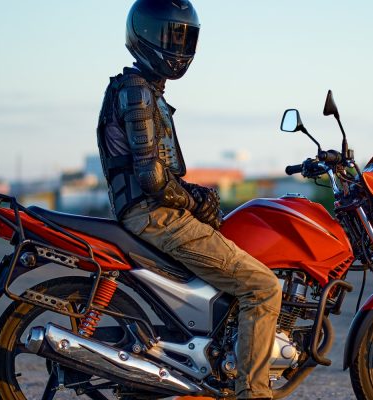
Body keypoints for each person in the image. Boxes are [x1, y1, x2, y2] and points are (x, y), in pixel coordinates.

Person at [95, 1, 281, 398]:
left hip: (151, 212)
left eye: (184, 36)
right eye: (171, 35)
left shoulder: (143, 90)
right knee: (263, 288)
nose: (178, 46)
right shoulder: (137, 93)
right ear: (145, 35)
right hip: (154, 214)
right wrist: (196, 199)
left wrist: (196, 199)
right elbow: (150, 177)